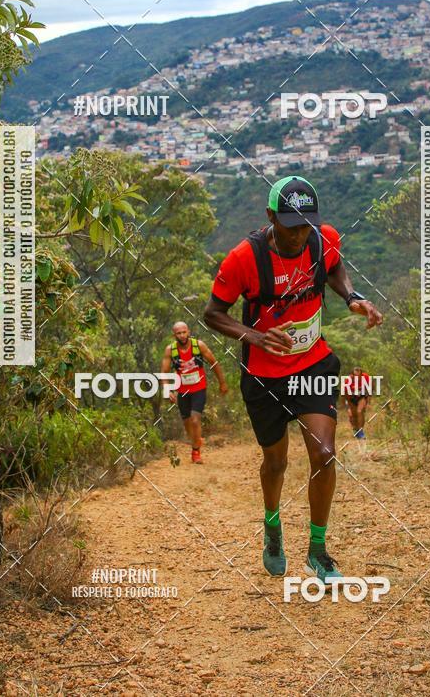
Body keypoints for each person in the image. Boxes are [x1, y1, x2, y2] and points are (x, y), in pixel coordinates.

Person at [203, 175, 383, 581]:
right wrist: (255, 336)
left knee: (324, 453)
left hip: (312, 364)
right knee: (276, 462)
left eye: (306, 225)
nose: (300, 235)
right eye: (290, 226)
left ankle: (318, 553)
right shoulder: (243, 259)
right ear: (270, 217)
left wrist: (352, 298)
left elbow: (334, 269)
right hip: (263, 375)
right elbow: (212, 313)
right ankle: (272, 526)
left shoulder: (322, 240)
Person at [161, 321, 228, 464]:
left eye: (184, 332)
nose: (182, 335)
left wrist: (222, 383)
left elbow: (214, 363)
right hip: (183, 391)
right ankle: (197, 440)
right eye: (178, 333)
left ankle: (196, 451)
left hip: (199, 388)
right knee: (187, 423)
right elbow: (164, 372)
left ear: (188, 332)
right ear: (174, 335)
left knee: (195, 419)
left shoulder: (199, 346)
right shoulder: (170, 350)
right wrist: (167, 390)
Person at [344, 367, 372, 439]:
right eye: (355, 376)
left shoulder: (365, 377)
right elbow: (345, 394)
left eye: (358, 376)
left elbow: (369, 390)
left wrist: (368, 403)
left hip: (361, 397)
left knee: (359, 412)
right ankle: (355, 429)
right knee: (351, 415)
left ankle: (361, 431)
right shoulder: (348, 380)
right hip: (350, 398)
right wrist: (347, 405)